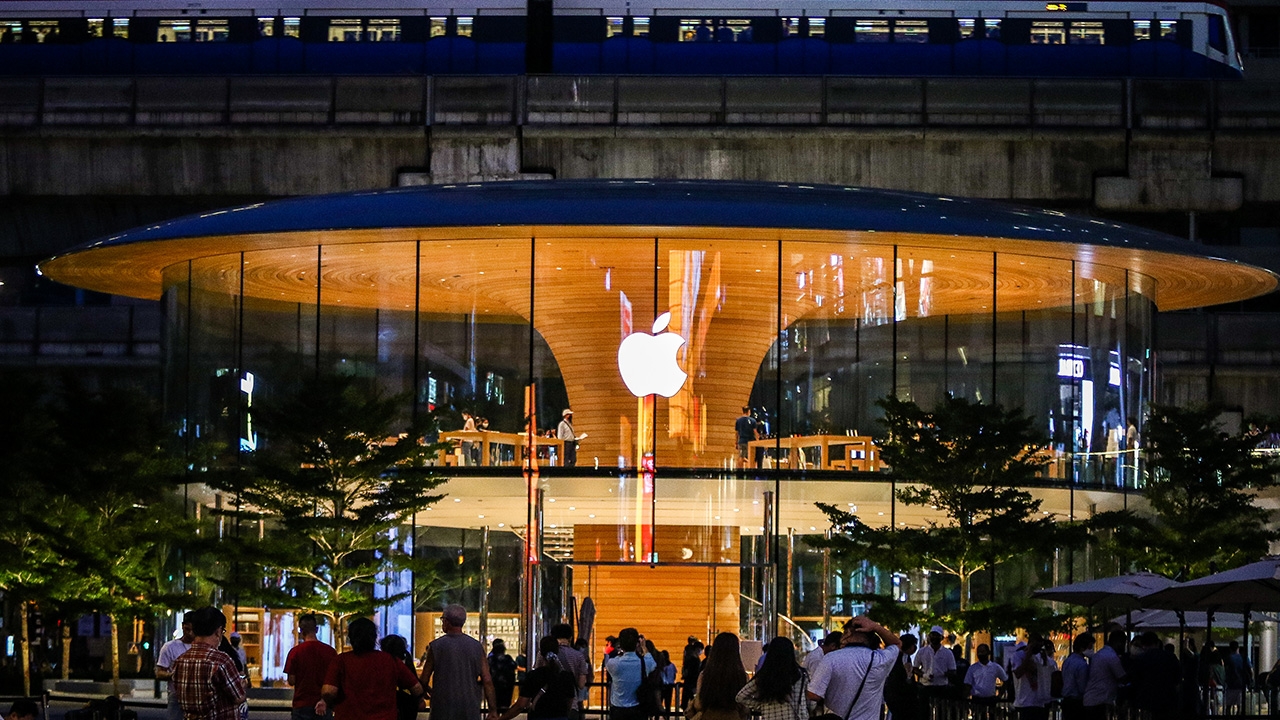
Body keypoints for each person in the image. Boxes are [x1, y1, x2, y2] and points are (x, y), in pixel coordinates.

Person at [321, 618, 423, 720]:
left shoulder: (340, 660)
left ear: (351, 637)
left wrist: (332, 705)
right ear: (374, 637)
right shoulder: (390, 660)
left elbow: (328, 691)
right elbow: (416, 688)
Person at [807, 616, 901, 720]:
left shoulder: (831, 658)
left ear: (848, 633)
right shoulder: (880, 659)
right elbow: (897, 644)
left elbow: (813, 695)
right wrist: (876, 627)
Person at [419, 605, 498, 720]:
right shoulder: (476, 647)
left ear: (446, 621)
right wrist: (493, 710)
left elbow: (424, 678)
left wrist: (425, 691)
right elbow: (487, 680)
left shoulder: (436, 646)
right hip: (469, 707)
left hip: (442, 708)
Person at [171, 606, 248, 720]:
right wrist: (242, 684)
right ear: (218, 631)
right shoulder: (221, 661)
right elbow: (238, 697)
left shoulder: (180, 660)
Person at [498, 637, 577, 720]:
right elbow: (569, 703)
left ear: (541, 653)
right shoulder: (566, 676)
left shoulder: (534, 675)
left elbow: (521, 705)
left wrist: (502, 718)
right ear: (557, 651)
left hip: (538, 716)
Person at [736, 637, 807, 720]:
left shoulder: (765, 676)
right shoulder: (800, 675)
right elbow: (809, 703)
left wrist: (761, 705)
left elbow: (740, 696)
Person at [286, 613, 339, 720]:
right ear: (317, 629)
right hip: (324, 704)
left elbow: (291, 680)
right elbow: (336, 679)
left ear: (301, 631)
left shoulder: (295, 652)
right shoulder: (330, 652)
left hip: (301, 704)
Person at [692, 632, 748, 720]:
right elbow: (744, 707)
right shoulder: (741, 675)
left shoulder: (705, 675)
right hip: (733, 716)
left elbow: (698, 705)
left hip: (709, 716)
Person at [605, 628, 657, 720]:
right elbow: (653, 663)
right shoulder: (644, 663)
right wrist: (644, 647)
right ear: (637, 643)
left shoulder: (613, 663)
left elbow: (610, 659)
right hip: (638, 709)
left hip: (618, 710)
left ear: (620, 644)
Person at [1128, 632, 1180, 719]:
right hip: (1167, 701)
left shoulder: (1140, 659)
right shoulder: (1170, 657)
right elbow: (1177, 679)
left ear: (1143, 644)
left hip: (1146, 702)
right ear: (1157, 643)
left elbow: (1133, 679)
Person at [157, 611, 196, 720]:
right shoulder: (170, 647)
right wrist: (173, 675)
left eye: (194, 630)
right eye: (188, 629)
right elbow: (159, 672)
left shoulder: (201, 648)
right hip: (177, 695)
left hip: (196, 696)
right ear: (183, 627)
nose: (191, 633)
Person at [1082, 630, 1126, 719]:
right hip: (1100, 701)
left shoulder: (1100, 654)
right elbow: (1122, 677)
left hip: (1091, 699)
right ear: (1118, 642)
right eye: (1123, 643)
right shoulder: (1112, 657)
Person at [549, 624, 590, 720]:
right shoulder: (579, 656)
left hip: (549, 703)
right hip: (571, 703)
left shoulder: (544, 654)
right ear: (570, 638)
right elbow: (581, 684)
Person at [1012, 636, 1056, 720]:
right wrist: (1028, 655)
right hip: (1024, 702)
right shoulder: (1019, 655)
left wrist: (1045, 659)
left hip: (1039, 701)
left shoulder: (1041, 657)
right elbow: (1018, 673)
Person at [381, 635, 423, 720]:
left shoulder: (382, 662)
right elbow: (415, 686)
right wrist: (420, 699)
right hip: (405, 705)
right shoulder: (403, 659)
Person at [963, 643, 1007, 718]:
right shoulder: (972, 668)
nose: (980, 654)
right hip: (977, 699)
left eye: (982, 652)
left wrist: (999, 696)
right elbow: (968, 684)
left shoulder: (995, 667)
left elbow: (1005, 680)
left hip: (991, 699)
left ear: (988, 653)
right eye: (979, 652)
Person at [1059, 633, 1092, 720]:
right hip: (1077, 702)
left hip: (1066, 700)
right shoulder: (1082, 664)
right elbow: (1082, 687)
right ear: (1082, 648)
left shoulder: (1067, 661)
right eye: (1090, 647)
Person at [1224, 639, 1252, 715]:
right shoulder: (1244, 658)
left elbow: (1226, 671)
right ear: (1238, 648)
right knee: (1240, 706)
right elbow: (1250, 670)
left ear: (1230, 649)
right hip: (1241, 685)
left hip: (1231, 685)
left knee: (1228, 707)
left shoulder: (1228, 658)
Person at [489, 639, 518, 711]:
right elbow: (514, 666)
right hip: (506, 688)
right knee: (505, 708)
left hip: (494, 687)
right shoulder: (508, 659)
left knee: (494, 708)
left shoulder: (491, 659)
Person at [681, 637, 704, 713]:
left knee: (688, 705)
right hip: (692, 685)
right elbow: (695, 674)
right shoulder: (695, 661)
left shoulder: (688, 659)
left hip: (688, 684)